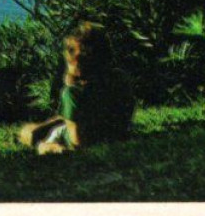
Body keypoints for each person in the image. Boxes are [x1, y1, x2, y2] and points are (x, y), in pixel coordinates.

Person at [17, 22, 136, 154]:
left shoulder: (73, 94)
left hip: (83, 138)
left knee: (32, 134)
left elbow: (77, 142)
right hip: (115, 135)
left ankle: (43, 144)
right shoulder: (120, 78)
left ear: (76, 60)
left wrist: (47, 147)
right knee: (42, 128)